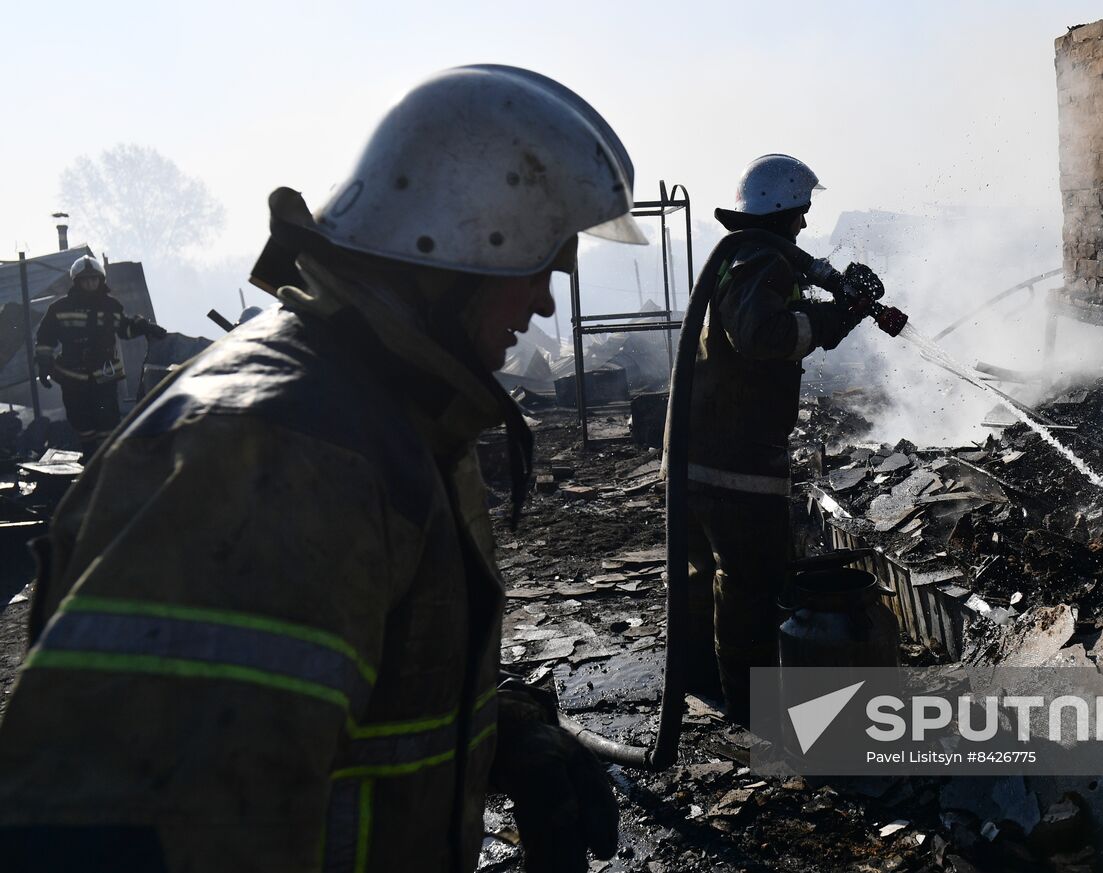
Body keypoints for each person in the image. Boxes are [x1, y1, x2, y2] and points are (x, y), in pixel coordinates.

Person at [0, 65, 643, 873]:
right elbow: (132, 835)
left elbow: (310, 712)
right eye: (539, 267)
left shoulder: (385, 407)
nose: (545, 305)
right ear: (460, 249)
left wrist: (488, 735)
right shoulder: (276, 451)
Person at [684, 154, 870, 722]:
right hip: (733, 457)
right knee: (750, 583)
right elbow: (763, 335)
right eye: (803, 213)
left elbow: (781, 308)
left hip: (698, 450)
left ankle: (703, 682)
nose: (807, 225)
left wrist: (843, 298)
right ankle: (753, 708)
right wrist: (839, 316)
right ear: (785, 210)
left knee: (708, 574)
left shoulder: (745, 255)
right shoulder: (761, 259)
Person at [33, 255, 167, 457]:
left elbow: (125, 330)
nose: (90, 283)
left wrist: (144, 327)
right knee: (80, 420)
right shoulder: (59, 308)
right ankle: (89, 456)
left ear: (101, 280)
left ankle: (107, 460)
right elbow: (45, 339)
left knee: (108, 420)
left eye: (94, 279)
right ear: (77, 281)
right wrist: (44, 364)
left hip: (104, 375)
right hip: (73, 376)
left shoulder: (111, 306)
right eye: (86, 280)